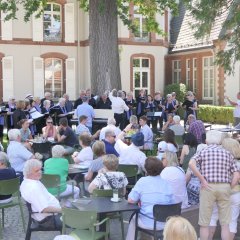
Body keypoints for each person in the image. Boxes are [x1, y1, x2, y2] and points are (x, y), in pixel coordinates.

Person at [188, 130, 239, 240]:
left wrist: (202, 179)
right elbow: (236, 174)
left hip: (208, 187)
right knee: (225, 224)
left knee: (204, 223)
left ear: (206, 141)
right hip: (224, 187)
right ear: (220, 141)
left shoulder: (203, 151)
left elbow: (191, 164)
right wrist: (229, 186)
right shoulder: (227, 153)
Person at [126, 157, 174, 240]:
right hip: (166, 222)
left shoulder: (142, 181)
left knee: (134, 218)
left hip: (149, 221)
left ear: (146, 169)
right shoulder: (167, 183)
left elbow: (130, 200)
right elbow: (172, 203)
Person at [209, 138, 240, 240]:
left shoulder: (217, 162)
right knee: (232, 221)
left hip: (218, 193)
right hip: (236, 195)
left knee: (212, 218)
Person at [20, 159, 62, 225]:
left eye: (40, 169)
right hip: (48, 219)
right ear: (29, 173)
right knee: (78, 218)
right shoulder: (33, 187)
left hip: (49, 215)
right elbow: (44, 209)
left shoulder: (27, 181)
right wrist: (63, 210)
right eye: (37, 171)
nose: (40, 172)